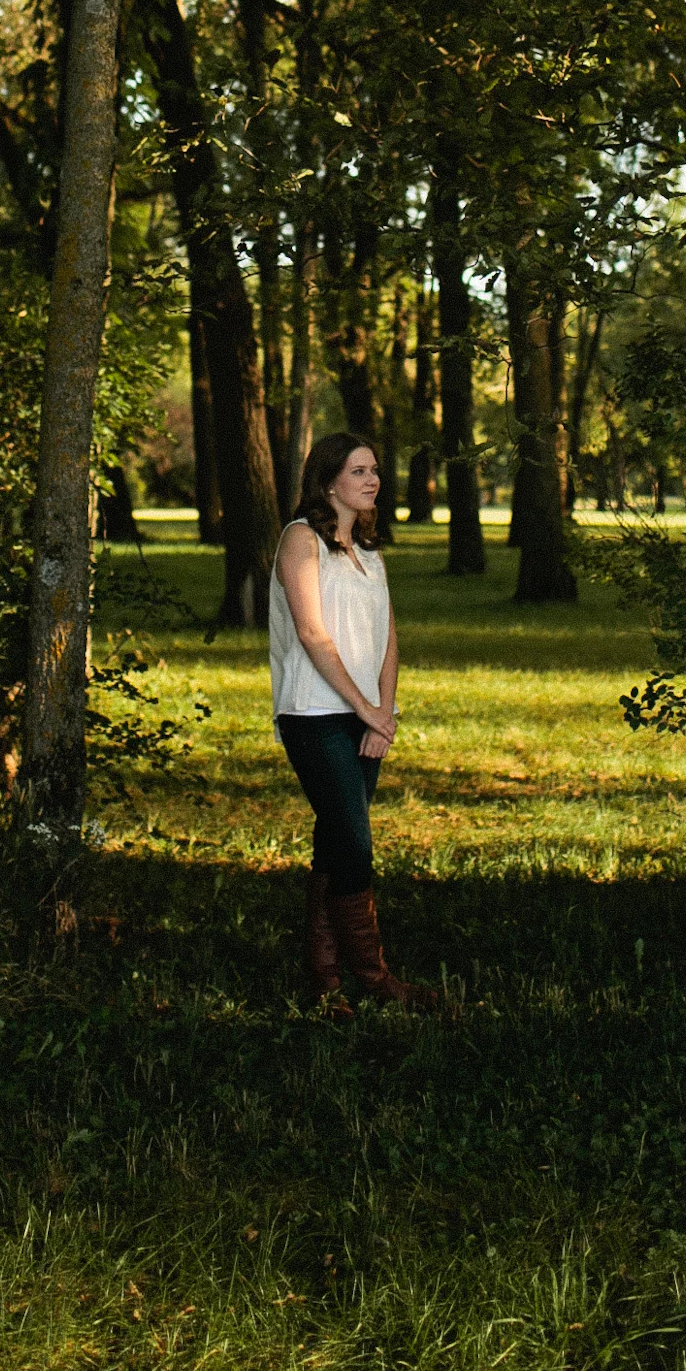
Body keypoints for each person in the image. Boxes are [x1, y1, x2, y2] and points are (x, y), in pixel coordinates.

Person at [270, 429, 432, 1010]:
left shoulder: (369, 552)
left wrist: (381, 713)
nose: (373, 481)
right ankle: (371, 976)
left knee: (336, 842)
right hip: (315, 714)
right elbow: (313, 634)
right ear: (329, 479)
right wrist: (364, 709)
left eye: (374, 471)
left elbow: (389, 640)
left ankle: (323, 977)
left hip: (364, 719)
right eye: (359, 471)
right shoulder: (299, 541)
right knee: (356, 846)